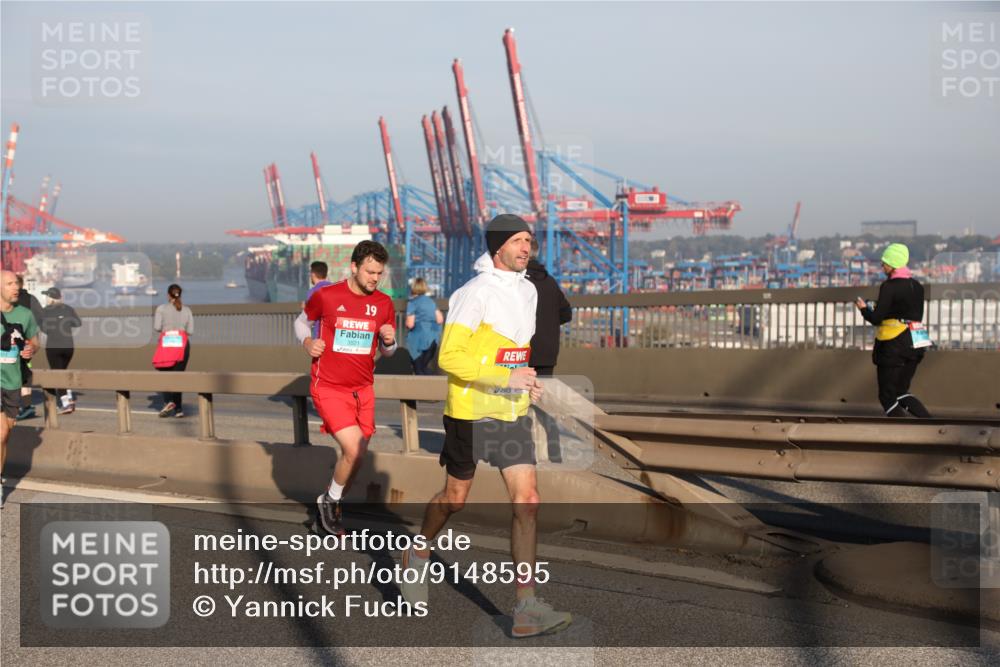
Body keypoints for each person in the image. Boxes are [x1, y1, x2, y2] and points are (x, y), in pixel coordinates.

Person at [398, 214, 572, 639]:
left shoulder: (529, 291)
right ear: (498, 248)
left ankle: (527, 607)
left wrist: (525, 379)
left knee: (528, 500)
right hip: (470, 412)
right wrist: (504, 377)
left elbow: (514, 350)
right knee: (455, 498)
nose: (526, 248)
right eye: (517, 241)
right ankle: (418, 551)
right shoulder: (473, 294)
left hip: (509, 414)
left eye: (529, 240)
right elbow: (449, 357)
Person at [295, 241, 397, 536]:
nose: (374, 279)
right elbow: (301, 322)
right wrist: (307, 343)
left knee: (359, 455)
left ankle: (327, 504)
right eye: (369, 272)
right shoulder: (327, 296)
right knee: (353, 448)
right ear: (353, 267)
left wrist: (389, 341)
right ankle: (330, 504)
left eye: (379, 273)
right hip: (328, 386)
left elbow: (388, 351)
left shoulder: (384, 304)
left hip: (363, 388)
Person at [855, 243, 932, 418]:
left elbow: (877, 319)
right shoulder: (917, 286)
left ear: (893, 263)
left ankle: (903, 433)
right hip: (916, 341)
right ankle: (931, 425)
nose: (882, 265)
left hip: (894, 344)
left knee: (887, 397)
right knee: (901, 391)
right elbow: (908, 312)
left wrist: (864, 309)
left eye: (885, 262)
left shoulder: (889, 286)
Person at [2, 270, 40, 495]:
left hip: (13, 381)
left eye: (16, 283)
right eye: (9, 284)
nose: (16, 287)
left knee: (5, 434)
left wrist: (30, 349)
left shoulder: (25, 314)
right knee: (0, 434)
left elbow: (35, 341)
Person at [525, 239, 572, 377]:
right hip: (547, 353)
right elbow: (566, 314)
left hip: (521, 353)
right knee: (540, 395)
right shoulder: (549, 281)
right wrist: (547, 323)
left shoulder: (516, 280)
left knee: (515, 395)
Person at [153, 284, 193, 418]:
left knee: (164, 373)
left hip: (167, 344)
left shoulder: (161, 309)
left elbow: (157, 327)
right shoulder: (187, 310)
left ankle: (169, 401)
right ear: (180, 294)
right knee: (178, 376)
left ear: (168, 294)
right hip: (182, 345)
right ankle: (179, 409)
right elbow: (190, 331)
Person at [40, 287, 81, 414]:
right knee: (63, 371)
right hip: (69, 347)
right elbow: (77, 323)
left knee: (57, 374)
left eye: (47, 296)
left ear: (50, 298)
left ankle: (65, 404)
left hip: (54, 347)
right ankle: (69, 397)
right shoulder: (68, 309)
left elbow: (44, 329)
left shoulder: (45, 311)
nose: (46, 298)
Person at [14, 275, 43, 421]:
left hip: (9, 341)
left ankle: (18, 405)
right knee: (24, 371)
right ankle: (26, 406)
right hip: (27, 341)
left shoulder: (6, 299)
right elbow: (41, 317)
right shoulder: (31, 299)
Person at [405, 277, 443, 375]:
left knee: (418, 369)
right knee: (424, 367)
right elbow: (440, 319)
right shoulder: (431, 302)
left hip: (418, 342)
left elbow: (410, 324)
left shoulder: (412, 303)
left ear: (413, 287)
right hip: (433, 340)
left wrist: (407, 324)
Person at [303, 261, 332, 339]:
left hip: (320, 335)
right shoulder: (335, 288)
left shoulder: (312, 292)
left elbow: (310, 317)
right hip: (334, 335)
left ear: (313, 274)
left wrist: (304, 307)